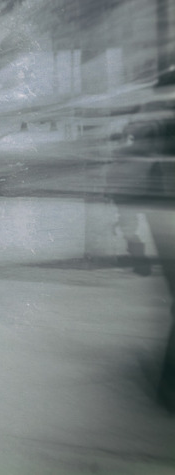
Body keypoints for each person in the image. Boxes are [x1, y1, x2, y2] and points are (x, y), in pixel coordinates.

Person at [108, 69, 175, 411]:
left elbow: (125, 177)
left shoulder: (146, 118)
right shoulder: (154, 119)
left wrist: (132, 235)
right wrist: (131, 236)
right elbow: (129, 174)